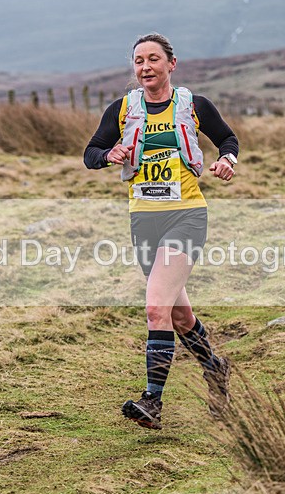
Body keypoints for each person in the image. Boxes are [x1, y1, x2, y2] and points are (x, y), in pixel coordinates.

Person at [83, 33, 239, 430]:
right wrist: (108, 155)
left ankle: (152, 400)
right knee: (179, 314)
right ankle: (215, 367)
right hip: (144, 219)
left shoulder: (194, 105)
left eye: (153, 59)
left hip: (186, 214)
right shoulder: (122, 109)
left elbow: (227, 138)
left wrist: (228, 159)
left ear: (172, 64)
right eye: (138, 61)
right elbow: (91, 153)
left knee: (155, 307)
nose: (145, 67)